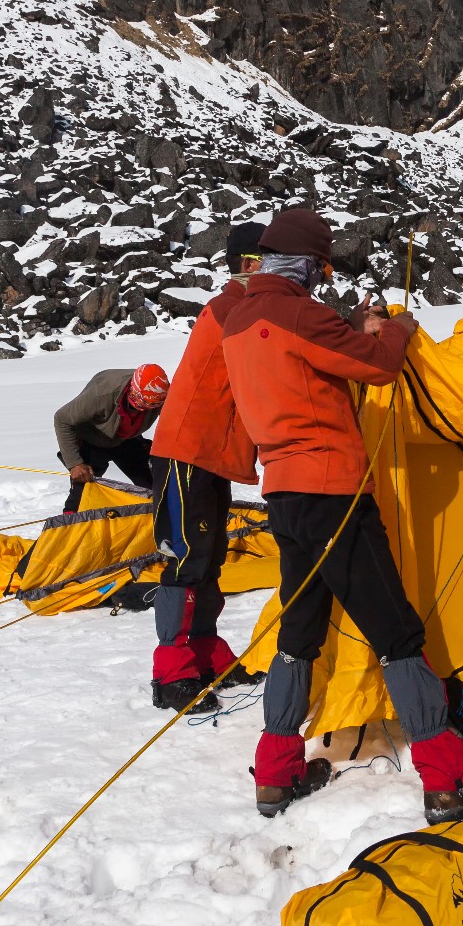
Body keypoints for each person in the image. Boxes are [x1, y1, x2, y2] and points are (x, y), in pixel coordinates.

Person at [223, 207, 463, 824]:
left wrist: (350, 326)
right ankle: (447, 775)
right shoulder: (300, 312)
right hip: (334, 494)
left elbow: (307, 353)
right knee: (397, 634)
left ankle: (274, 770)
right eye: (320, 270)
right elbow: (377, 366)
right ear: (306, 265)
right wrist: (395, 327)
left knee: (299, 635)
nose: (322, 282)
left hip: (285, 497)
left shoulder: (242, 318)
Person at [143, 222, 268, 713]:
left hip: (209, 454)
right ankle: (170, 671)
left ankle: (203, 650)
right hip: (187, 451)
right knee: (185, 557)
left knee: (209, 555)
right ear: (248, 265)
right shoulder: (232, 308)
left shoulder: (238, 307)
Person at [52, 362, 169, 511]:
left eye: (153, 405)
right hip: (91, 438)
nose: (148, 408)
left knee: (154, 486)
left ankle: (159, 524)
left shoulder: (161, 395)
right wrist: (75, 463)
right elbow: (62, 419)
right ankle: (69, 527)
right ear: (134, 391)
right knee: (82, 491)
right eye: (145, 404)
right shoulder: (102, 393)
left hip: (126, 438)